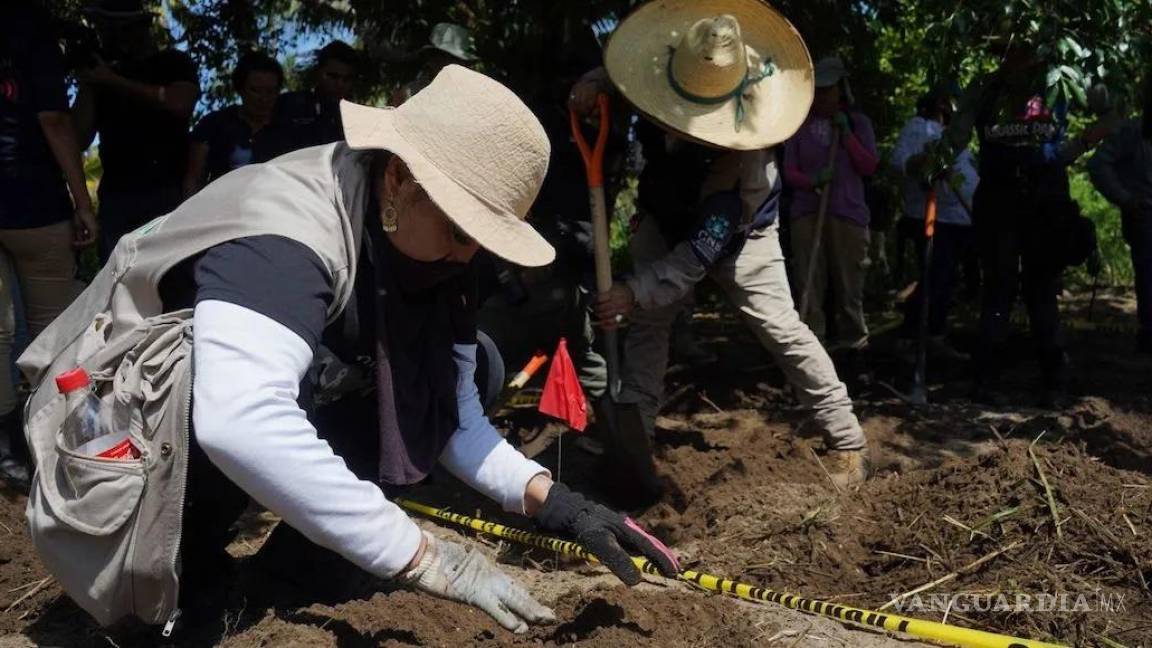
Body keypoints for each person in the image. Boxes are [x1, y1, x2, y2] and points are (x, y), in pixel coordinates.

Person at [21, 66, 678, 634]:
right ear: (397, 178)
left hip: (206, 420)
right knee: (212, 377)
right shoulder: (288, 231)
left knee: (474, 368)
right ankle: (179, 583)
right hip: (110, 447)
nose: (467, 253)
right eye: (459, 228)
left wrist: (558, 503)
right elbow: (237, 419)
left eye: (483, 237)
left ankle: (284, 585)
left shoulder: (432, 254)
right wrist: (420, 554)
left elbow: (452, 419)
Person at [577, 3, 870, 487]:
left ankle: (846, 437)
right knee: (649, 329)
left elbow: (695, 257)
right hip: (665, 211)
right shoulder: (669, 70)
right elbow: (617, 74)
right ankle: (635, 432)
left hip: (740, 233)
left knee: (780, 327)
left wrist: (632, 290)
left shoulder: (743, 165)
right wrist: (594, 84)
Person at [945, 36, 1109, 406]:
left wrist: (1078, 145)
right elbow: (955, 137)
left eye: (1021, 48)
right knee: (998, 287)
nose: (1013, 56)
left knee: (1040, 288)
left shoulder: (1059, 80)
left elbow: (1114, 108)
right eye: (1006, 49)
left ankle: (1054, 379)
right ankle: (985, 379)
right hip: (997, 197)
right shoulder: (984, 88)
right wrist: (931, 161)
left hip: (1046, 199)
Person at [0, 4, 95, 491]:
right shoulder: (31, 33)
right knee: (55, 335)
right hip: (33, 202)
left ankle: (7, 450)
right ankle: (56, 445)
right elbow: (55, 121)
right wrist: (83, 202)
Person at [71, 0, 199, 262]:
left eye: (121, 27)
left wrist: (115, 81)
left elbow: (180, 102)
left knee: (171, 273)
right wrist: (89, 82)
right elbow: (79, 138)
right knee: (119, 276)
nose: (114, 35)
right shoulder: (103, 76)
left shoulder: (172, 62)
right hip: (119, 196)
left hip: (168, 191)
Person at [783, 56, 879, 351]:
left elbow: (869, 166)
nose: (823, 96)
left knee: (849, 285)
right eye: (819, 90)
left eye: (829, 90)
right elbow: (789, 171)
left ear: (841, 89)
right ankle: (813, 345)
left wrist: (848, 135)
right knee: (809, 282)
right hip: (807, 213)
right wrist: (812, 180)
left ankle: (854, 344)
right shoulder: (798, 126)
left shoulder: (857, 122)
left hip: (847, 213)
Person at [892, 86, 979, 360]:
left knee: (948, 280)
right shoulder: (919, 128)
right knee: (937, 278)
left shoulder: (954, 136)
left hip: (961, 218)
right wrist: (929, 162)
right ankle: (916, 336)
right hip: (935, 217)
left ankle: (930, 333)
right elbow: (902, 163)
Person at [1088, 73, 1152, 354]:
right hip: (1144, 215)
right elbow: (1099, 165)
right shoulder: (1133, 131)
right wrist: (1126, 199)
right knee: (1148, 275)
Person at [183, 52, 285, 196]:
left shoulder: (289, 129)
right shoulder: (213, 124)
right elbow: (193, 178)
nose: (263, 99)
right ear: (240, 89)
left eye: (270, 91)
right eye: (255, 90)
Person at [271, 40, 357, 153]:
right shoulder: (289, 104)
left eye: (347, 79)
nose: (340, 84)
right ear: (318, 72)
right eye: (333, 76)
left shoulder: (354, 117)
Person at [391, 23, 478, 105]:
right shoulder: (411, 93)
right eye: (438, 56)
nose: (443, 62)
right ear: (430, 58)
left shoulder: (476, 94)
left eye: (452, 58)